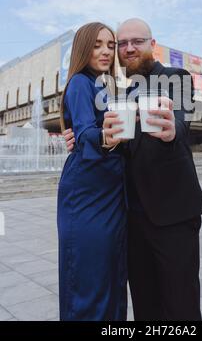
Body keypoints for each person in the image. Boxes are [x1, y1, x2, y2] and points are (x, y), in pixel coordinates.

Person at [64, 18, 202, 321]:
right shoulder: (116, 92)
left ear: (152, 45)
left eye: (137, 42)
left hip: (173, 216)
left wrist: (172, 131)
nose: (129, 48)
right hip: (130, 218)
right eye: (123, 43)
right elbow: (110, 140)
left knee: (181, 306)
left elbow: (181, 122)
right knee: (145, 307)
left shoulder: (176, 76)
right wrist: (82, 138)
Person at [58, 22, 127, 321]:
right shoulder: (79, 83)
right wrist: (104, 137)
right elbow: (86, 131)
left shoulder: (107, 87)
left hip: (112, 194)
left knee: (112, 277)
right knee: (89, 281)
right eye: (98, 44)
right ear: (83, 48)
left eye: (110, 45)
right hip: (87, 195)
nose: (105, 51)